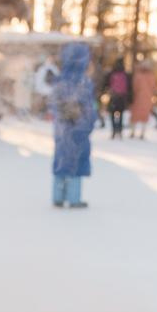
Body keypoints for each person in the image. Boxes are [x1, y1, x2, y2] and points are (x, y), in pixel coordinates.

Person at [49, 41, 95, 208]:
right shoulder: (83, 82)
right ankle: (74, 198)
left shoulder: (60, 80)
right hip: (78, 130)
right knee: (77, 163)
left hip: (62, 129)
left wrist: (61, 118)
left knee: (61, 160)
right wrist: (87, 124)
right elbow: (89, 109)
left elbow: (53, 104)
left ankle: (58, 196)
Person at [103, 60, 132, 139]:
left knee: (112, 115)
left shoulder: (112, 73)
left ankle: (114, 130)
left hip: (114, 97)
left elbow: (106, 84)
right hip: (121, 97)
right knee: (121, 115)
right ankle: (119, 130)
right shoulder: (125, 74)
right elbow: (129, 87)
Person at [131, 61, 157, 137]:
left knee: (135, 115)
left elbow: (135, 87)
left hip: (138, 98)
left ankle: (133, 131)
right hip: (147, 98)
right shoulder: (151, 76)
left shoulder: (138, 75)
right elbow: (154, 87)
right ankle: (142, 133)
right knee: (144, 116)